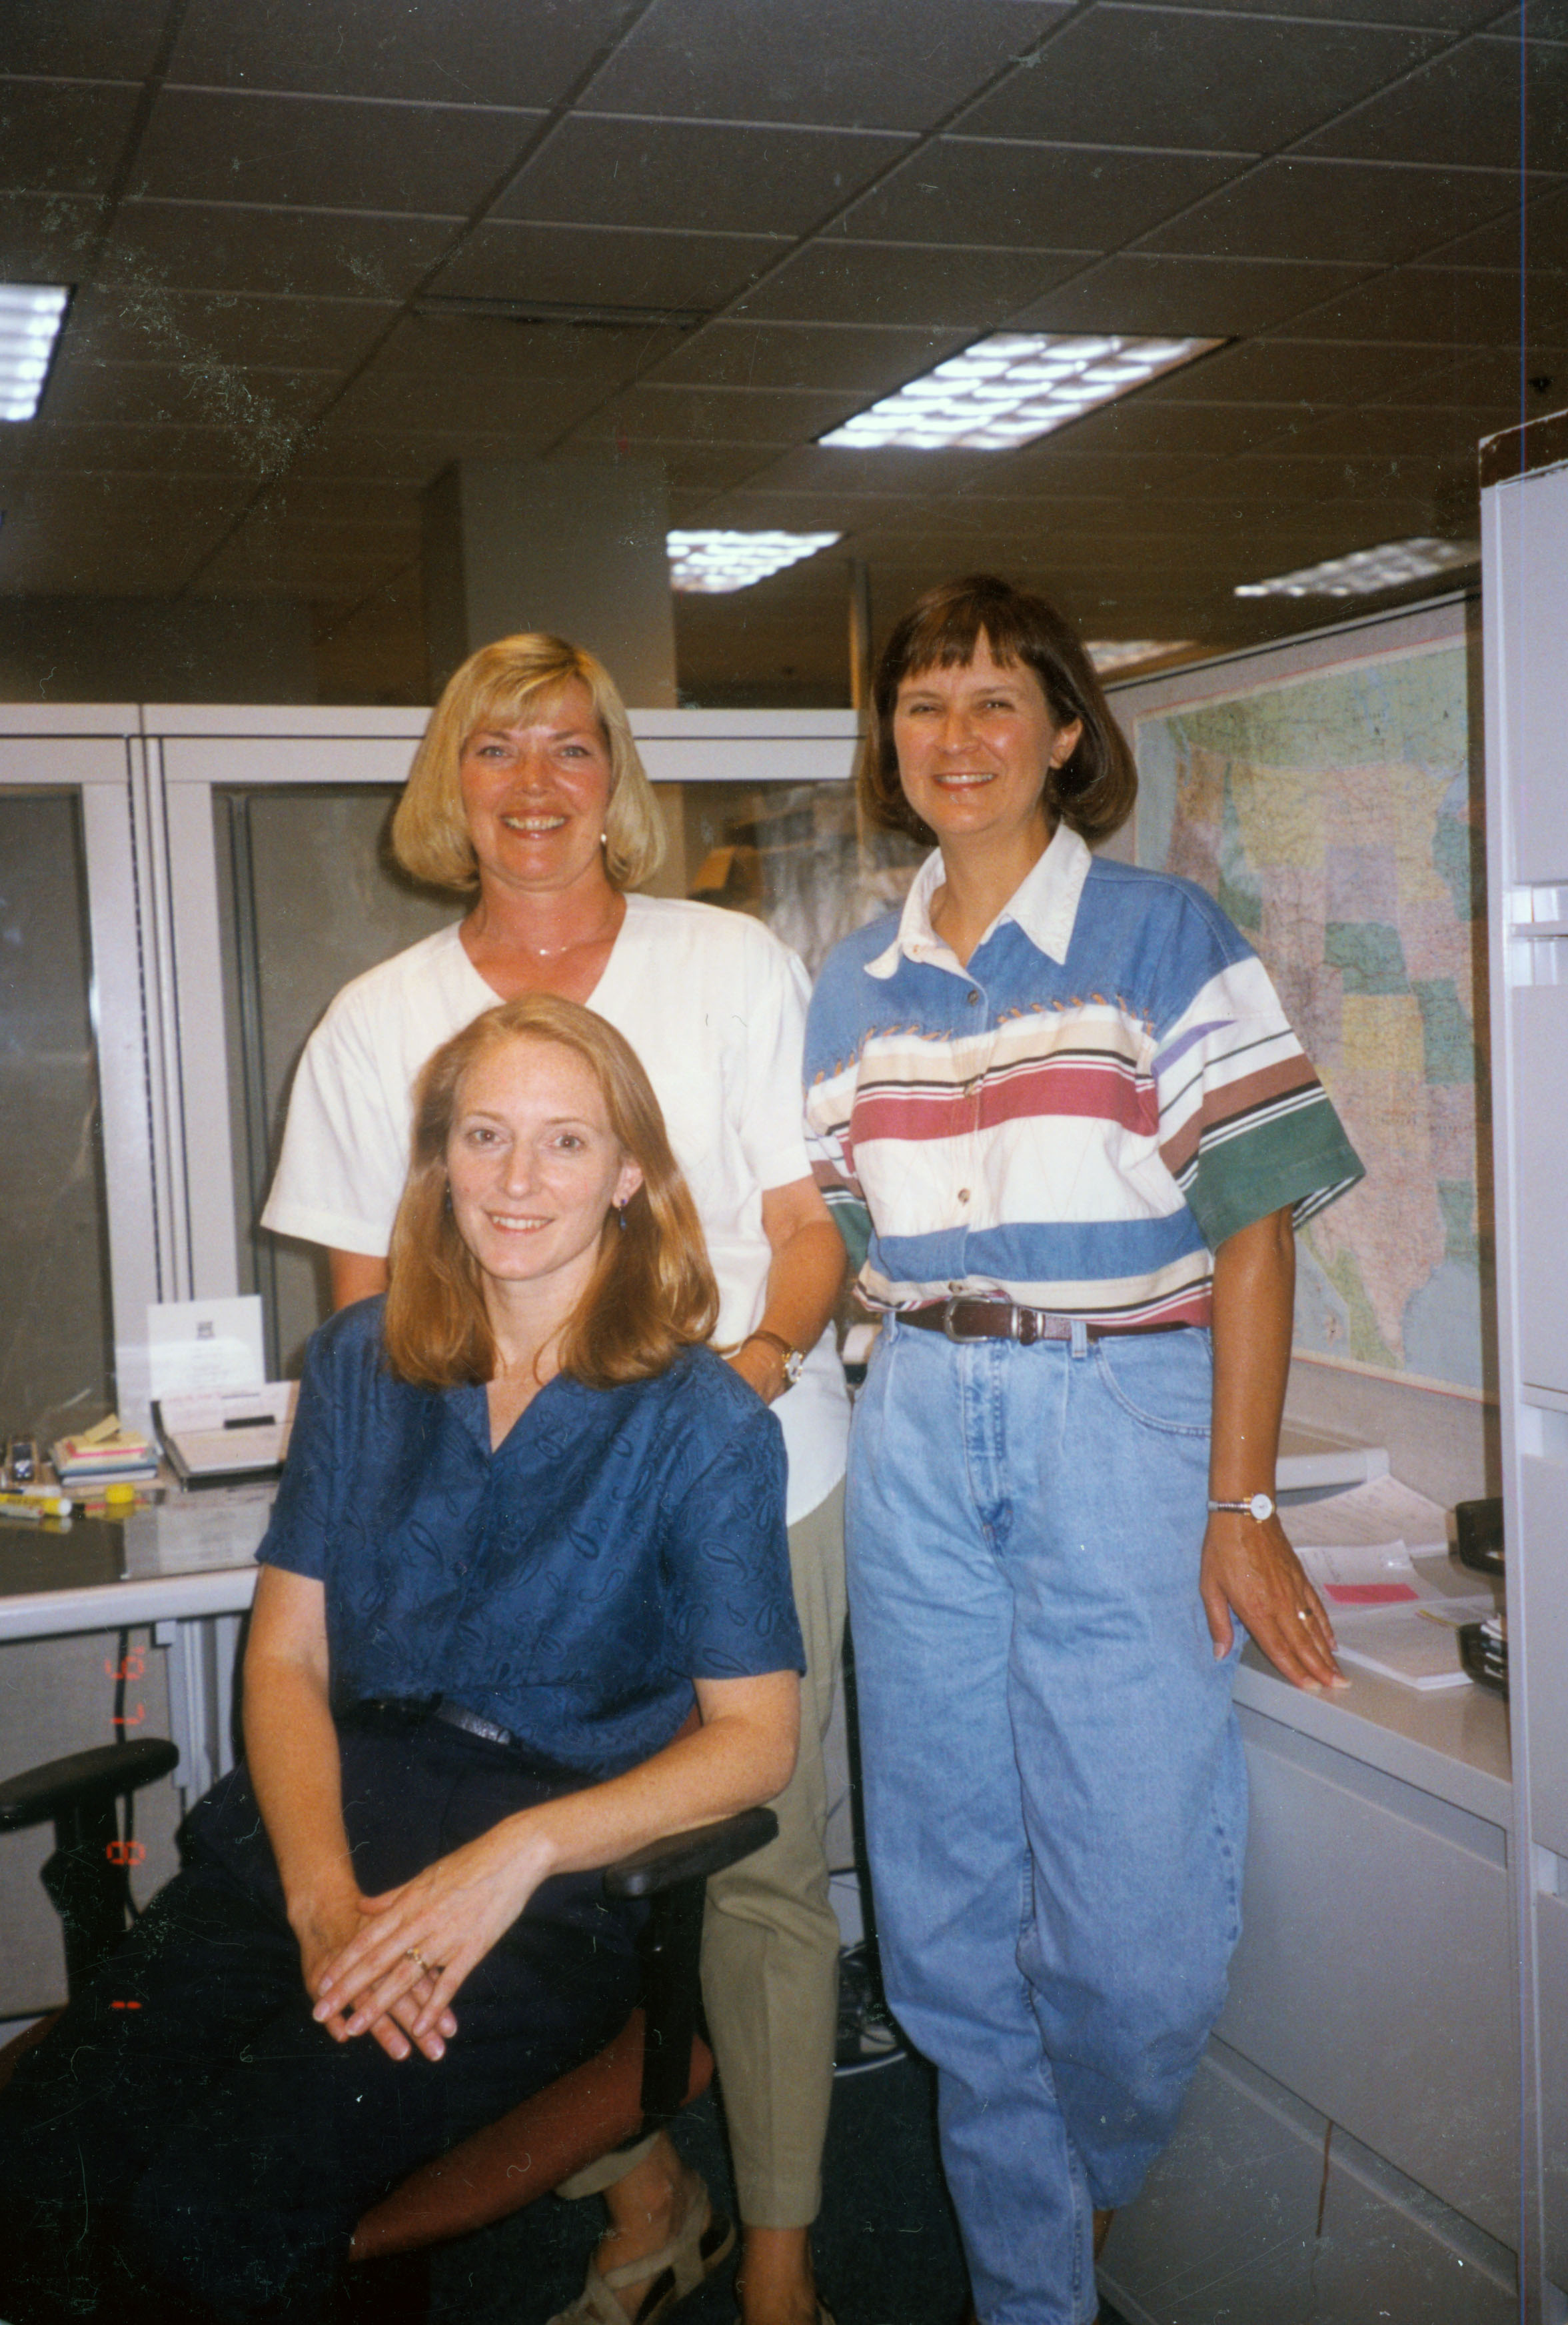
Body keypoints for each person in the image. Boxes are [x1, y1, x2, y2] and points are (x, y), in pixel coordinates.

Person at [0, 997, 802, 2325]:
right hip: (323, 1828)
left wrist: (520, 1854)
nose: (516, 1179)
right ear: (440, 1162)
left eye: (564, 1141)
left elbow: (755, 1741)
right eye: (484, 1136)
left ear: (629, 1175)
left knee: (214, 2214)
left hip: (538, 1890)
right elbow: (287, 1657)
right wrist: (322, 1900)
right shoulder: (360, 1365)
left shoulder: (703, 1423)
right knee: (40, 2165)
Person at [260, 635, 846, 2325]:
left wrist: (730, 1388)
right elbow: (377, 1322)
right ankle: (643, 2188)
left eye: (571, 747)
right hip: (496, 1510)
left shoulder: (727, 963)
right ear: (449, 783)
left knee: (750, 1867)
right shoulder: (377, 1021)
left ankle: (783, 2259)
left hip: (744, 1460)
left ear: (617, 780)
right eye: (495, 748)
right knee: (480, 1831)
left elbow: (806, 1226)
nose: (533, 784)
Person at [803, 575, 1365, 2325]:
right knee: (944, 1918)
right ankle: (1035, 2294)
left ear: (1064, 733)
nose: (955, 736)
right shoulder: (850, 987)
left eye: (996, 701)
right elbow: (843, 1230)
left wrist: (1239, 1499)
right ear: (890, 743)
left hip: (1119, 1415)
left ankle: (1067, 2204)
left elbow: (1254, 1222)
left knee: (1131, 1944)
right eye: (922, 703)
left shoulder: (1160, 935)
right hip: (914, 1418)